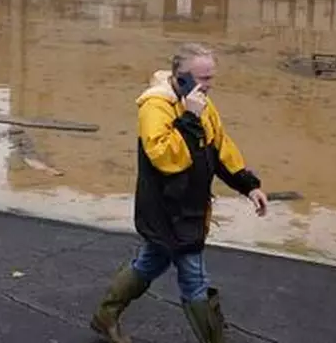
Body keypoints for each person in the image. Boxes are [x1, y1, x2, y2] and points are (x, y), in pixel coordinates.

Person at [91, 43, 268, 343]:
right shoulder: (156, 107)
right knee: (194, 280)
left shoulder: (201, 103)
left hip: (191, 207)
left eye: (212, 77)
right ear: (181, 77)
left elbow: (221, 147)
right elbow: (166, 158)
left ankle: (105, 317)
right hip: (167, 211)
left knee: (151, 262)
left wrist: (248, 185)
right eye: (204, 78)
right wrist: (189, 119)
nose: (209, 86)